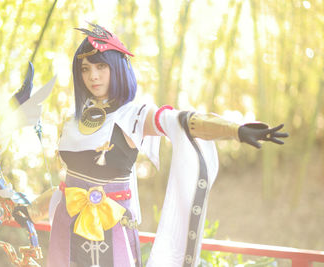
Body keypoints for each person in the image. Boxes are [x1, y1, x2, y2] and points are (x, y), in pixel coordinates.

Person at [40, 23, 288, 267]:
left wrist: (234, 130)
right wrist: (29, 206)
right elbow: (67, 184)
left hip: (111, 232)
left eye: (101, 66)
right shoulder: (72, 121)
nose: (93, 75)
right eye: (85, 68)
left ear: (117, 68)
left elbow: (180, 121)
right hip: (67, 227)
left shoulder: (132, 115)